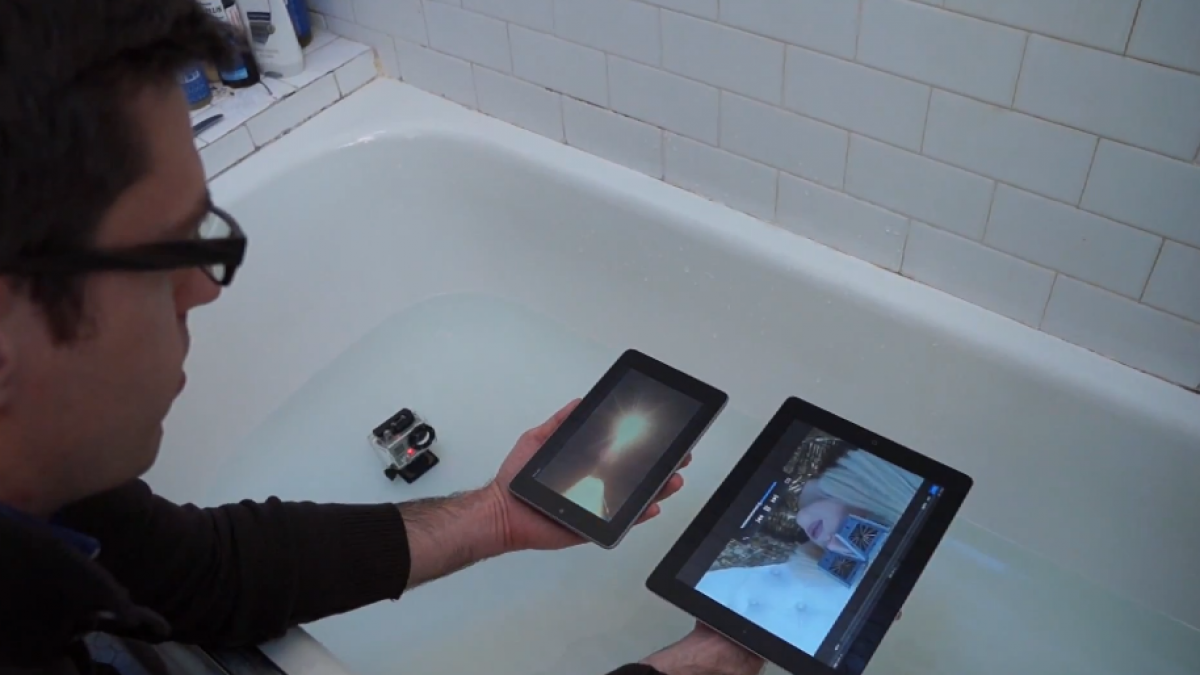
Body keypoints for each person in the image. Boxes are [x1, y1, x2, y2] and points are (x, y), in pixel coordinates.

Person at [0, 3, 763, 675]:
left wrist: (496, 512)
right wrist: (694, 665)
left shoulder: (63, 500)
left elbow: (202, 571)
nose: (204, 288)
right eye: (169, 251)